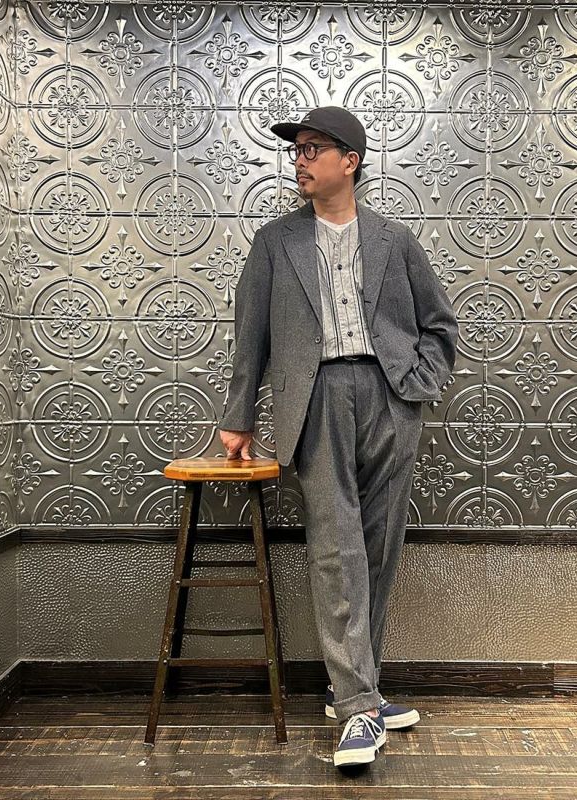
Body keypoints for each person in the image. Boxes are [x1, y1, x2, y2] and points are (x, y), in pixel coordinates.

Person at [218, 106, 457, 768]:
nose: (299, 161)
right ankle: (356, 709)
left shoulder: (394, 240)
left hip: (389, 398)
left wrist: (416, 385)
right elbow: (250, 336)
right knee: (336, 548)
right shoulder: (274, 242)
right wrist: (239, 416)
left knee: (377, 549)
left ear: (349, 162)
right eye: (296, 151)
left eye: (312, 149)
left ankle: (358, 690)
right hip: (315, 397)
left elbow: (440, 324)